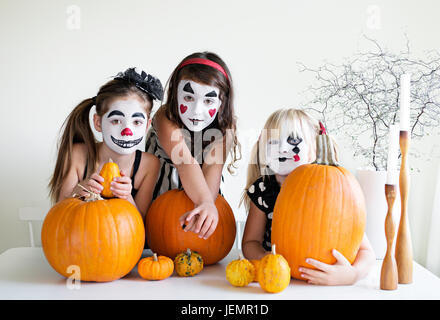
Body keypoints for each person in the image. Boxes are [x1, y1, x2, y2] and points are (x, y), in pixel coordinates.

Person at [241, 108, 375, 285]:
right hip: (281, 283)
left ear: (314, 149)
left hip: (326, 284)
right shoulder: (264, 189)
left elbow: (366, 252)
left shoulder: (334, 188)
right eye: (272, 142)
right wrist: (264, 258)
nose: (282, 149)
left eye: (293, 141)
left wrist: (353, 275)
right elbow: (250, 242)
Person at [146, 51, 240, 240]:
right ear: (175, 94)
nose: (197, 110)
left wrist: (206, 205)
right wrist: (204, 201)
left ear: (222, 103)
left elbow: (213, 169)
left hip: (202, 201)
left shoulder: (226, 127)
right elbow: (184, 162)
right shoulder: (165, 117)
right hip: (158, 212)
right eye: (189, 98)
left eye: (208, 101)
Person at [48, 68, 163, 220]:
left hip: (125, 242)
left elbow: (140, 225)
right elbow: (59, 216)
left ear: (147, 125)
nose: (127, 131)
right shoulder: (77, 155)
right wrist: (78, 192)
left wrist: (127, 197)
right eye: (116, 120)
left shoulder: (149, 164)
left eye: (137, 122)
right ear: (98, 122)